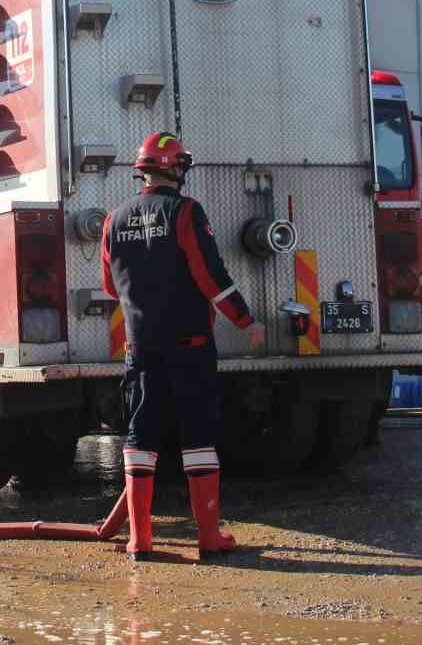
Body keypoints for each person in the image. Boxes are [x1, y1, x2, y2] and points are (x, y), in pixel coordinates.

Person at [101, 132, 266, 562]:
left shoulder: (113, 219)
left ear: (143, 170)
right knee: (197, 436)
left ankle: (139, 540)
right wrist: (246, 320)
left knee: (141, 436)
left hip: (140, 346)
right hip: (188, 343)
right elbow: (210, 275)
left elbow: (108, 284)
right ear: (177, 168)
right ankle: (209, 539)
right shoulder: (185, 212)